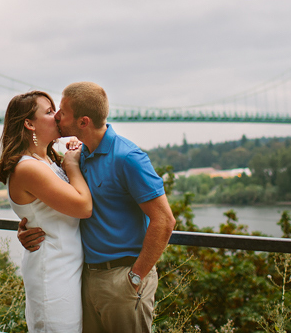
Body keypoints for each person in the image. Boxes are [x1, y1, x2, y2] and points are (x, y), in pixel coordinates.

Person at [18, 82, 176, 333]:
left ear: (83, 122)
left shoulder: (128, 158)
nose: (57, 115)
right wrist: (31, 224)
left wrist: (135, 278)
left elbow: (165, 221)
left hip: (122, 279)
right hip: (83, 279)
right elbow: (57, 204)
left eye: (62, 111)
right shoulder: (80, 155)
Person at [0, 90, 93, 333]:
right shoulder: (28, 168)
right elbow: (83, 207)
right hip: (52, 273)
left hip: (68, 268)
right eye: (49, 112)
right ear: (29, 124)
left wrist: (73, 154)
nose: (58, 116)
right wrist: (71, 165)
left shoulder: (47, 161)